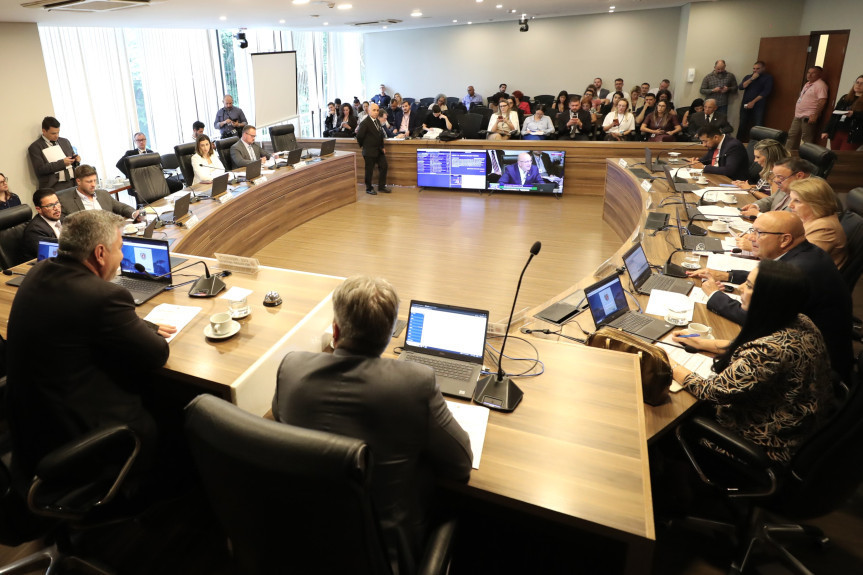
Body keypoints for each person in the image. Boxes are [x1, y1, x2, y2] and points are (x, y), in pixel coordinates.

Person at [272, 275, 472, 574]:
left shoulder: (291, 367)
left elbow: (280, 416)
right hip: (382, 556)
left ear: (336, 330)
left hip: (302, 541)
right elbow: (461, 465)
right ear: (391, 334)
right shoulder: (415, 383)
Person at [6, 209, 176, 483]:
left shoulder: (40, 270)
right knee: (169, 400)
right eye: (120, 249)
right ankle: (152, 489)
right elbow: (157, 354)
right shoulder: (105, 296)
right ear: (100, 253)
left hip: (31, 423)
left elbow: (78, 318)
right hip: (77, 430)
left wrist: (142, 324)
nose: (122, 258)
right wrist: (146, 329)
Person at [671, 260, 834, 464]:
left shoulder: (769, 351)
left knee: (672, 419)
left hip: (765, 444)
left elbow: (711, 392)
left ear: (768, 298)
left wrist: (668, 362)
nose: (740, 288)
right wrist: (704, 343)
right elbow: (750, 345)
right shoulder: (800, 319)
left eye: (748, 286)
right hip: (798, 424)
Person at [687, 210, 852, 381]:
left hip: (815, 371)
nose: (751, 238)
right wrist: (726, 275)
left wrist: (714, 295)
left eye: (759, 233)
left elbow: (757, 318)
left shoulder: (801, 270)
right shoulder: (804, 253)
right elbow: (769, 276)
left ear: (785, 239)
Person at [788, 178, 847, 268]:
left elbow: (800, 262)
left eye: (797, 201)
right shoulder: (808, 219)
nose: (790, 205)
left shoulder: (825, 228)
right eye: (791, 199)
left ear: (816, 203)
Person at [58, 164, 141, 221]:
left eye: (95, 180)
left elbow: (122, 207)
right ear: (78, 181)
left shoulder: (103, 194)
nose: (93, 185)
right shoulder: (66, 201)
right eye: (89, 182)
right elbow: (65, 224)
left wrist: (134, 214)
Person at [740, 156, 815, 217]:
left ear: (799, 175)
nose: (775, 180)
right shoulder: (789, 183)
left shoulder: (811, 192)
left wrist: (759, 215)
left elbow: (789, 221)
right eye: (775, 176)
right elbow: (772, 199)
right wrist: (755, 206)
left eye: (780, 177)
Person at [28, 116, 80, 192]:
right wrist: (62, 163)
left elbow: (71, 161)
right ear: (44, 131)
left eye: (58, 132)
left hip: (72, 182)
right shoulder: (35, 147)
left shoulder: (64, 141)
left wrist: (76, 160)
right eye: (53, 133)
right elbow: (40, 169)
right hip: (54, 186)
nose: (57, 136)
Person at [787, 66, 828, 151]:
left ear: (819, 74)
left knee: (806, 138)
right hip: (798, 115)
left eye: (813, 73)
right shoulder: (807, 84)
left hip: (809, 116)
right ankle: (787, 155)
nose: (810, 75)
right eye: (808, 72)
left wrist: (815, 115)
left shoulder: (821, 85)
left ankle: (806, 157)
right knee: (792, 135)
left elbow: (822, 101)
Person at [821, 74, 863, 151]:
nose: (858, 85)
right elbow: (834, 115)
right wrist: (826, 130)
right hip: (837, 131)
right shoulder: (845, 97)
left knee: (843, 156)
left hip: (852, 134)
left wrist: (854, 114)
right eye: (857, 82)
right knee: (834, 154)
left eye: (862, 83)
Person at [356, 103, 389, 195]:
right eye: (374, 110)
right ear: (369, 111)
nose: (376, 112)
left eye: (377, 110)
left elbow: (380, 136)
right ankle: (369, 188)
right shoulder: (365, 123)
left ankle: (381, 186)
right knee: (369, 170)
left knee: (384, 166)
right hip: (369, 150)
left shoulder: (377, 121)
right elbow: (359, 136)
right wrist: (365, 146)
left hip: (379, 150)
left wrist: (382, 147)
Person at [737, 61, 774, 141]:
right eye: (754, 68)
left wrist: (753, 102)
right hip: (745, 104)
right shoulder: (748, 77)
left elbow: (766, 92)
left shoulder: (767, 78)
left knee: (758, 125)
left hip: (758, 105)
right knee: (742, 124)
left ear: (763, 68)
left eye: (758, 69)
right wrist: (752, 78)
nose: (755, 70)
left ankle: (757, 144)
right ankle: (739, 142)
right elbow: (740, 87)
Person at [22, 188, 63, 261]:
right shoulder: (35, 230)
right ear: (39, 209)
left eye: (57, 203)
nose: (56, 208)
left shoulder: (64, 219)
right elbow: (51, 257)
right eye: (50, 205)